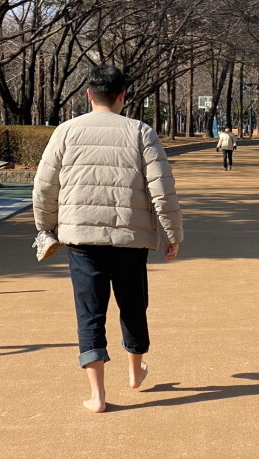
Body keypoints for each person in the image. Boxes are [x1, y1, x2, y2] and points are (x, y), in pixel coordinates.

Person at [33, 64, 183, 413]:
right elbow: (163, 190)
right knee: (133, 305)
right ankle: (135, 373)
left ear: (88, 95)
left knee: (90, 311)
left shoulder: (66, 132)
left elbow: (44, 186)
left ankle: (97, 395)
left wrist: (46, 227)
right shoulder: (141, 132)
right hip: (130, 236)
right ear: (122, 96)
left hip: (82, 237)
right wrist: (173, 233)